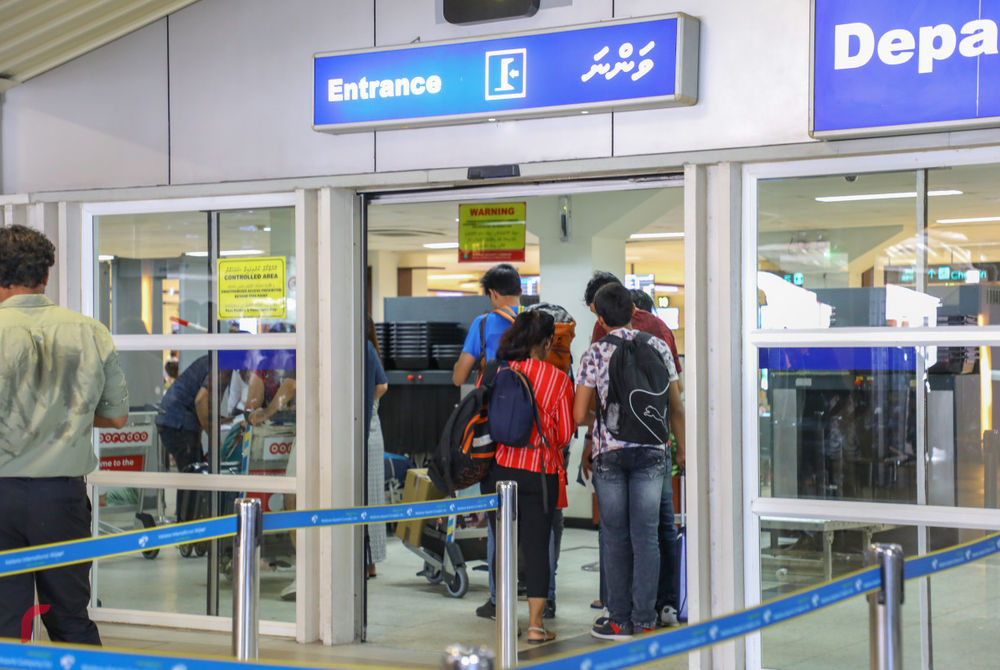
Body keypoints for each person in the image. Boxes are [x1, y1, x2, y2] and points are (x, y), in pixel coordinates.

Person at [0, 224, 129, 645]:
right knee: (71, 618)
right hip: (62, 498)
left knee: (4, 624)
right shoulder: (89, 331)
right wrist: (62, 414)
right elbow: (115, 418)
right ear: (47, 276)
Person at [575, 282, 685, 640]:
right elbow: (676, 404)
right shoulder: (657, 345)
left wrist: (603, 419)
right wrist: (680, 448)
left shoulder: (595, 353)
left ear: (599, 314)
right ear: (633, 310)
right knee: (648, 536)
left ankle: (619, 620)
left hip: (610, 454)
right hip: (654, 452)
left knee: (616, 536)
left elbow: (579, 414)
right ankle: (646, 618)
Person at [485, 310, 574, 643]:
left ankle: (507, 619)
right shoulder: (558, 379)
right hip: (539, 473)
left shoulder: (501, 372)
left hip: (502, 470)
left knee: (505, 546)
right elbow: (564, 434)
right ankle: (536, 626)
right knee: (538, 548)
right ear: (548, 341)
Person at [450, 263, 523, 619]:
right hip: (533, 434)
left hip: (495, 434)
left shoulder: (483, 324)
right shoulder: (536, 322)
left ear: (493, 293)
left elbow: (458, 376)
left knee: (499, 514)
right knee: (542, 517)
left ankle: (498, 599)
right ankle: (546, 595)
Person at [365, 315, 389, 579]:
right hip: (370, 426)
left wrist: (366, 402)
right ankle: (369, 560)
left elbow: (382, 385)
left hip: (369, 427)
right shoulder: (369, 348)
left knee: (369, 496)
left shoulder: (365, 349)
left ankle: (370, 559)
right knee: (370, 496)